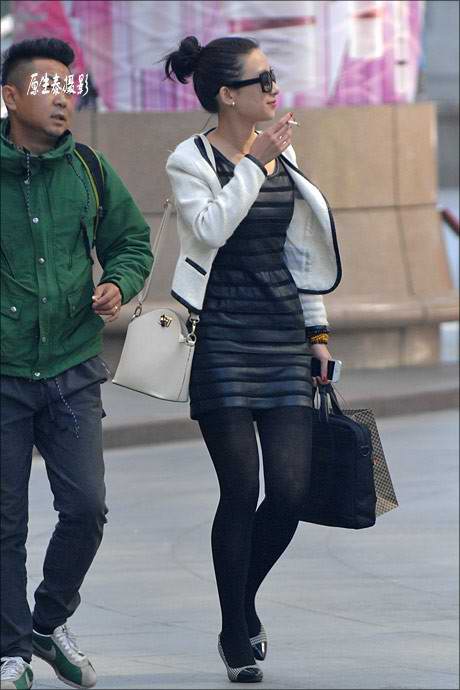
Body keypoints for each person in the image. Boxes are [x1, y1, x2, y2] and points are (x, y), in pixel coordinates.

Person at [164, 36, 342, 683]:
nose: (273, 88)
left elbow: (301, 253)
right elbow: (209, 228)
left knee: (289, 492)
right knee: (241, 489)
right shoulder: (189, 159)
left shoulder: (282, 152)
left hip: (281, 335)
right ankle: (235, 634)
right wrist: (255, 165)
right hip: (220, 339)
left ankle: (240, 603)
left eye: (273, 76)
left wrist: (317, 334)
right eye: (261, 80)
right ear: (226, 95)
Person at [0, 38, 153, 689]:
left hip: (72, 368)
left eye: (71, 86)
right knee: (5, 523)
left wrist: (118, 281)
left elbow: (132, 240)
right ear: (11, 97)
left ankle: (47, 619)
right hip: (3, 372)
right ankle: (10, 651)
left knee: (87, 508)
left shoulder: (88, 167)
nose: (64, 97)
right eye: (48, 87)